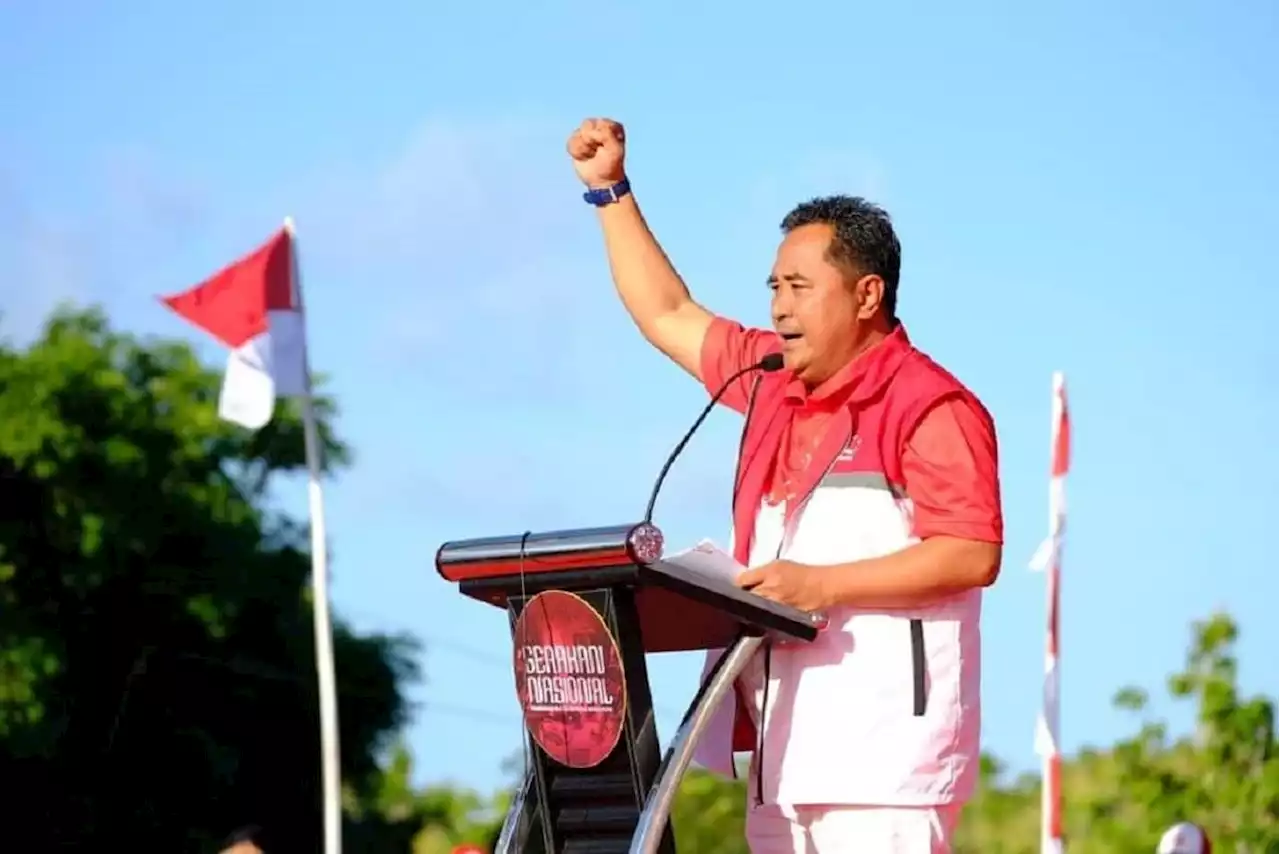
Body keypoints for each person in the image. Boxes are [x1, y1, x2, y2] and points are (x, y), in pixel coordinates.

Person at [568, 118, 1003, 853]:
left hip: (886, 770)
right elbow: (667, 313)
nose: (779, 306)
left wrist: (821, 584)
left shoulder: (932, 403)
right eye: (774, 286)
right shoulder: (767, 378)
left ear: (867, 296)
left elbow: (971, 552)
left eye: (800, 287)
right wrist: (610, 191)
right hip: (784, 759)